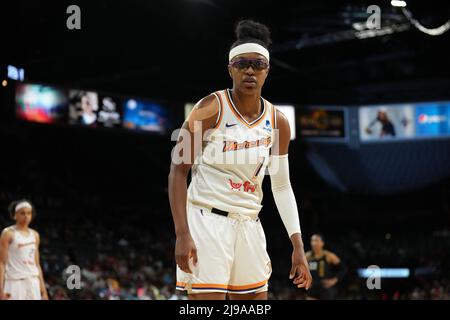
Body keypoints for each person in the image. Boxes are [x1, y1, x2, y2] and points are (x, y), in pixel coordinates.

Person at [168, 19, 312, 300]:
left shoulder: (278, 122)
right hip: (206, 221)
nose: (249, 70)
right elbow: (177, 170)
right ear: (230, 69)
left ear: (267, 70)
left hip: (249, 223)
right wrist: (182, 233)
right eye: (242, 64)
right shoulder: (209, 108)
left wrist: (297, 244)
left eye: (257, 64)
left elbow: (281, 186)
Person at [0, 200, 49, 300]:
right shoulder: (8, 233)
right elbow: (1, 263)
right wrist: (0, 289)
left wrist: (44, 291)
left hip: (33, 282)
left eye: (28, 213)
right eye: (22, 213)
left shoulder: (35, 235)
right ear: (15, 215)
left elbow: (37, 265)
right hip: (14, 282)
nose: (26, 216)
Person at [306, 234, 345, 300]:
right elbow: (300, 270)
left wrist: (334, 280)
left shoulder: (329, 255)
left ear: (322, 243)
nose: (314, 243)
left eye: (316, 241)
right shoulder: (307, 256)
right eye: (312, 241)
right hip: (312, 287)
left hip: (326, 288)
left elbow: (343, 268)